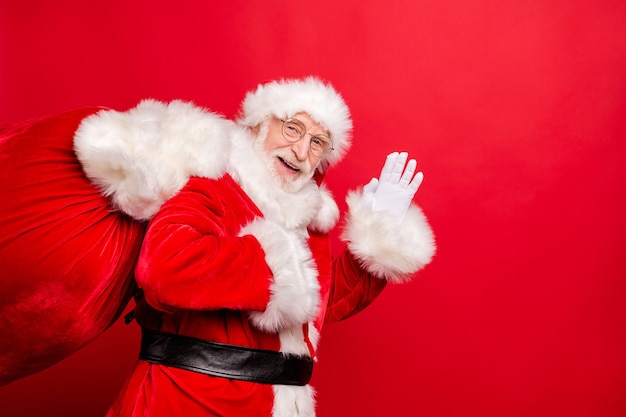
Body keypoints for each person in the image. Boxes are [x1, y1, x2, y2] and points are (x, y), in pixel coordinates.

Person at [75, 76, 437, 416]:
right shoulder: (215, 185)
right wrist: (274, 265)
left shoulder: (304, 221)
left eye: (317, 143)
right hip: (189, 400)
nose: (300, 150)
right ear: (257, 126)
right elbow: (164, 268)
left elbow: (321, 301)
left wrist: (379, 235)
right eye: (292, 128)